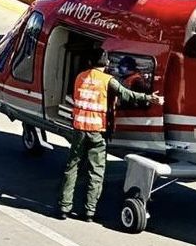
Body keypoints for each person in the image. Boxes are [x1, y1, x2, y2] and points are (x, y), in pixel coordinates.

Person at [57, 50, 162, 221]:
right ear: (106, 64)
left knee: (72, 167)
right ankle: (89, 212)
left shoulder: (80, 77)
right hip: (96, 131)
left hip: (79, 128)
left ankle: (64, 208)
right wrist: (150, 98)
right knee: (96, 171)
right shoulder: (108, 81)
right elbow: (127, 95)